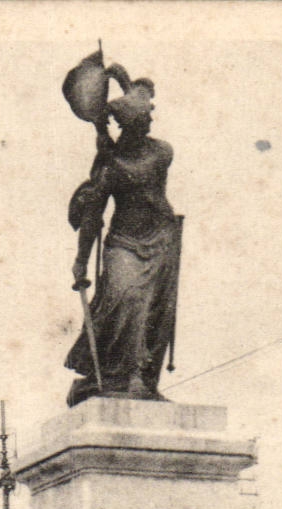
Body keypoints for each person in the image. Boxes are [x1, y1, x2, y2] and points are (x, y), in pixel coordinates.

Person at [63, 63, 182, 406]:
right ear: (127, 126)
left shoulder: (161, 152)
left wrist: (122, 82)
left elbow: (134, 104)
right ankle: (115, 377)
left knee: (157, 312)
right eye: (142, 121)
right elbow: (92, 216)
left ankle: (143, 380)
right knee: (126, 301)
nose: (149, 124)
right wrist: (81, 260)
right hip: (124, 245)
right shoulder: (110, 166)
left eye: (148, 119)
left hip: (161, 241)